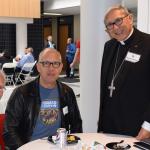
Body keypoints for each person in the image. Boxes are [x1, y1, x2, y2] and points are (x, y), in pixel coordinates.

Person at [3, 48, 82, 150]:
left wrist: (73, 146)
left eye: (56, 64)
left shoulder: (67, 92)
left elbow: (76, 123)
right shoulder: (21, 93)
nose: (51, 68)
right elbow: (9, 130)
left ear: (61, 67)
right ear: (38, 67)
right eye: (46, 63)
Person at [98, 5, 150, 140]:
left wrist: (148, 126)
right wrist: (101, 124)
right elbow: (105, 88)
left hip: (138, 126)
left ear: (130, 19)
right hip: (110, 126)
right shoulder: (109, 47)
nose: (115, 28)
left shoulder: (148, 43)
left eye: (118, 21)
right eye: (110, 25)